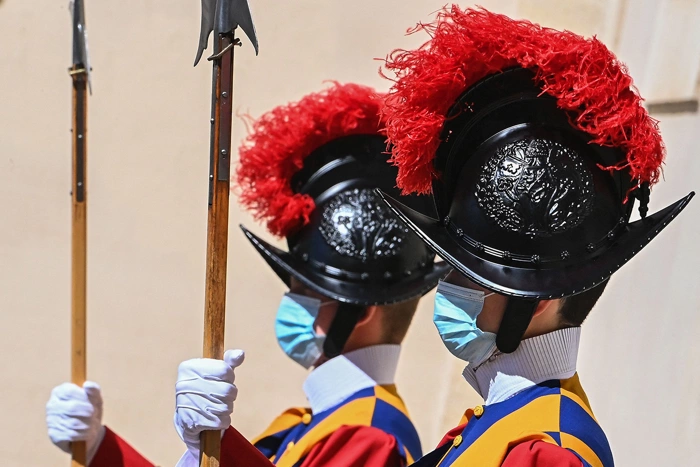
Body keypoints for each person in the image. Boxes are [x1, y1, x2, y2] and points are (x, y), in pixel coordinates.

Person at [45, 82, 451, 467]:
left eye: (306, 291)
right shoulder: (309, 424)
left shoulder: (369, 435)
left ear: (358, 311)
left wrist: (221, 445)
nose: (292, 302)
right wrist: (102, 448)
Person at [375, 6, 695, 466]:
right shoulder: (504, 423)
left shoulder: (546, 451)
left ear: (537, 300)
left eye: (469, 275)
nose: (446, 289)